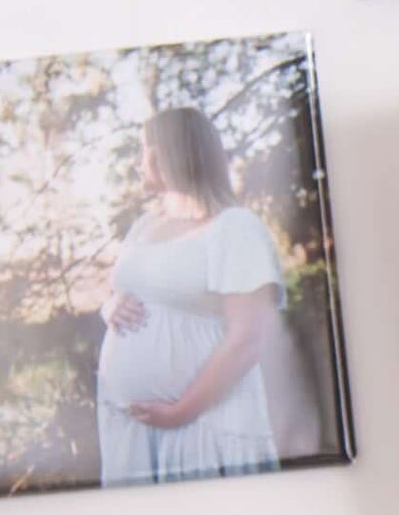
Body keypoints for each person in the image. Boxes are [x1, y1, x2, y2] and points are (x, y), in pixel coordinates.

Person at [95, 107, 287, 486]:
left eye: (146, 149)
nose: (138, 161)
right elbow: (127, 290)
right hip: (133, 432)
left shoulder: (235, 228)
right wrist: (110, 306)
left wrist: (181, 411)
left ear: (172, 153)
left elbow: (248, 339)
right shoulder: (145, 225)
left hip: (202, 429)